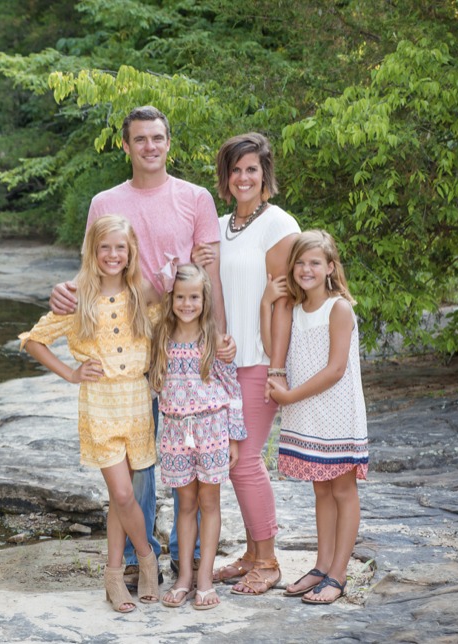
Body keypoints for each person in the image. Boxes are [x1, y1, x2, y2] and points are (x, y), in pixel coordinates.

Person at [51, 106, 231, 587]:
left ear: (169, 142)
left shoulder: (194, 199)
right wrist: (63, 293)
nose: (150, 146)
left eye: (157, 138)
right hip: (124, 351)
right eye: (140, 139)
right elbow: (92, 270)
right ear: (126, 146)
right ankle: (137, 553)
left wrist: (218, 337)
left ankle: (188, 556)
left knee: (189, 448)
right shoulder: (105, 202)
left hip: (182, 346)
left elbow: (208, 276)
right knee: (138, 461)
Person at [20, 215, 161, 612]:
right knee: (122, 492)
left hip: (137, 402)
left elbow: (171, 325)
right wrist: (71, 373)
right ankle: (147, 558)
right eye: (105, 248)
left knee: (122, 498)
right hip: (100, 404)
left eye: (120, 247)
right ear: (93, 251)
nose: (113, 255)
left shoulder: (142, 293)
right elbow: (34, 340)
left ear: (130, 252)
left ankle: (113, 576)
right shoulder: (79, 296)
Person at [193, 132, 300, 596]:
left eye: (251, 169)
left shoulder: (279, 225)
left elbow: (285, 302)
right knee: (231, 459)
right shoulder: (218, 226)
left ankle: (269, 560)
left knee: (244, 459)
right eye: (235, 169)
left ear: (265, 174)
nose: (243, 177)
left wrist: (276, 366)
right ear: (225, 176)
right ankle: (253, 554)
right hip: (223, 364)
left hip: (259, 361)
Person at [263, 230, 369, 605]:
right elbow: (271, 349)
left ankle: (339, 573)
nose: (306, 269)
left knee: (342, 490)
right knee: (321, 489)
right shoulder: (294, 309)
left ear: (330, 268)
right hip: (308, 413)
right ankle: (322, 567)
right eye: (300, 263)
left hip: (337, 412)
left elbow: (336, 369)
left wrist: (288, 396)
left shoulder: (338, 309)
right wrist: (266, 303)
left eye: (315, 262)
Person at [150, 264, 246, 610]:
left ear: (205, 300)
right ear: (171, 299)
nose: (187, 304)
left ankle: (205, 578)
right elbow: (153, 383)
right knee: (185, 505)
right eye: (180, 297)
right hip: (175, 431)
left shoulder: (215, 341)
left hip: (212, 430)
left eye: (194, 297)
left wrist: (234, 438)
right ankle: (185, 578)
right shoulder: (161, 336)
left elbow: (233, 389)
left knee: (209, 504)